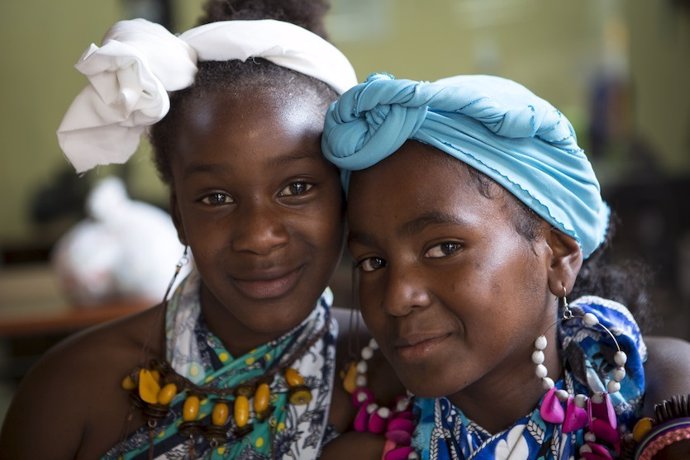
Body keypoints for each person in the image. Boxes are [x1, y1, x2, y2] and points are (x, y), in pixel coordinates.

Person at [0, 2, 402, 458]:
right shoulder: (70, 389)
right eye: (215, 198)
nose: (258, 236)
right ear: (178, 214)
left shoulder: (395, 367)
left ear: (344, 197)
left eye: (296, 187)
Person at [320, 73, 690, 459]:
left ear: (559, 256)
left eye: (444, 248)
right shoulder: (364, 450)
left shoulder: (659, 397)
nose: (397, 297)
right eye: (373, 261)